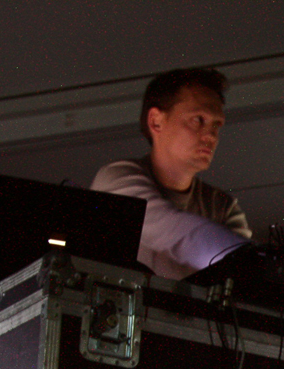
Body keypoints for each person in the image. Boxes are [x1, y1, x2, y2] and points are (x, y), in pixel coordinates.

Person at [91, 67, 252, 280]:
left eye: (216, 124)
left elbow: (245, 280)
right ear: (156, 121)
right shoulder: (117, 178)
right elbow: (179, 236)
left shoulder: (223, 207)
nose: (211, 136)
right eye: (198, 120)